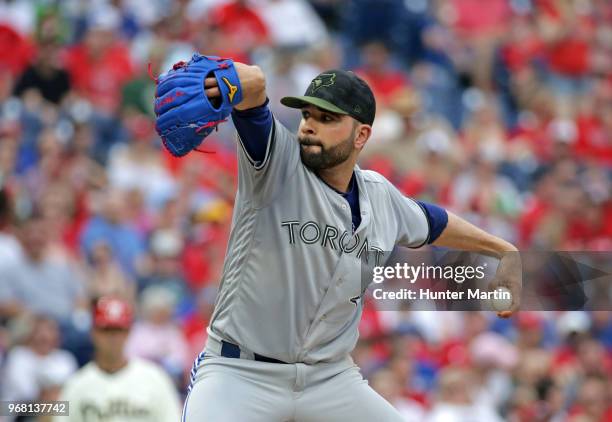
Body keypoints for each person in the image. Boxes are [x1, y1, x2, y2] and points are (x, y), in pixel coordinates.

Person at [180, 62, 521, 420]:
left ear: (361, 136)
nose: (310, 125)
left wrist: (502, 249)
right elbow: (252, 97)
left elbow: (433, 222)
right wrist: (251, 80)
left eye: (327, 119)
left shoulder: (380, 195)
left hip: (328, 379)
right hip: (242, 375)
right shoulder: (276, 164)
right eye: (307, 114)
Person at [56, 296, 181, 422]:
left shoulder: (155, 378)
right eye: (106, 329)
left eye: (118, 329)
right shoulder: (77, 384)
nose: (113, 337)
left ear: (128, 332)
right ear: (93, 332)